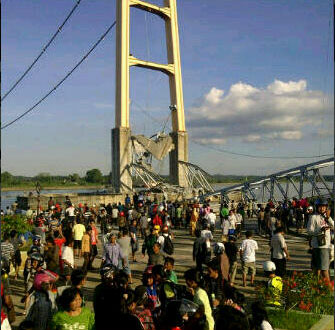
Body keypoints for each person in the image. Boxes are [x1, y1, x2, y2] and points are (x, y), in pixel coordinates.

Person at [307, 199, 334, 279]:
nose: (322, 209)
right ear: (316, 207)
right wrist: (320, 230)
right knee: (320, 269)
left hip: (325, 246)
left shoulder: (327, 217)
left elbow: (333, 226)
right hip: (318, 246)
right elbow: (309, 231)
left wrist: (328, 218)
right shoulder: (313, 217)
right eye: (320, 207)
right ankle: (325, 288)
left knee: (322, 269)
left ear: (326, 208)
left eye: (324, 207)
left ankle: (324, 288)